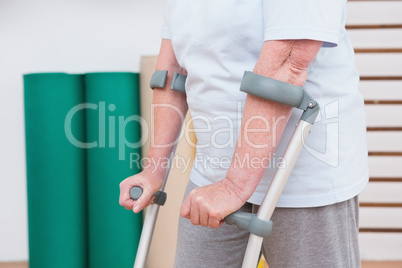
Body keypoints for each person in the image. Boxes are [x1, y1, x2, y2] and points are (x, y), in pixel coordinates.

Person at [120, 0, 369, 267]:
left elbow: (286, 65)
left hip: (301, 178)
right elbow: (170, 75)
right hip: (212, 176)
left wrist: (234, 186)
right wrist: (155, 168)